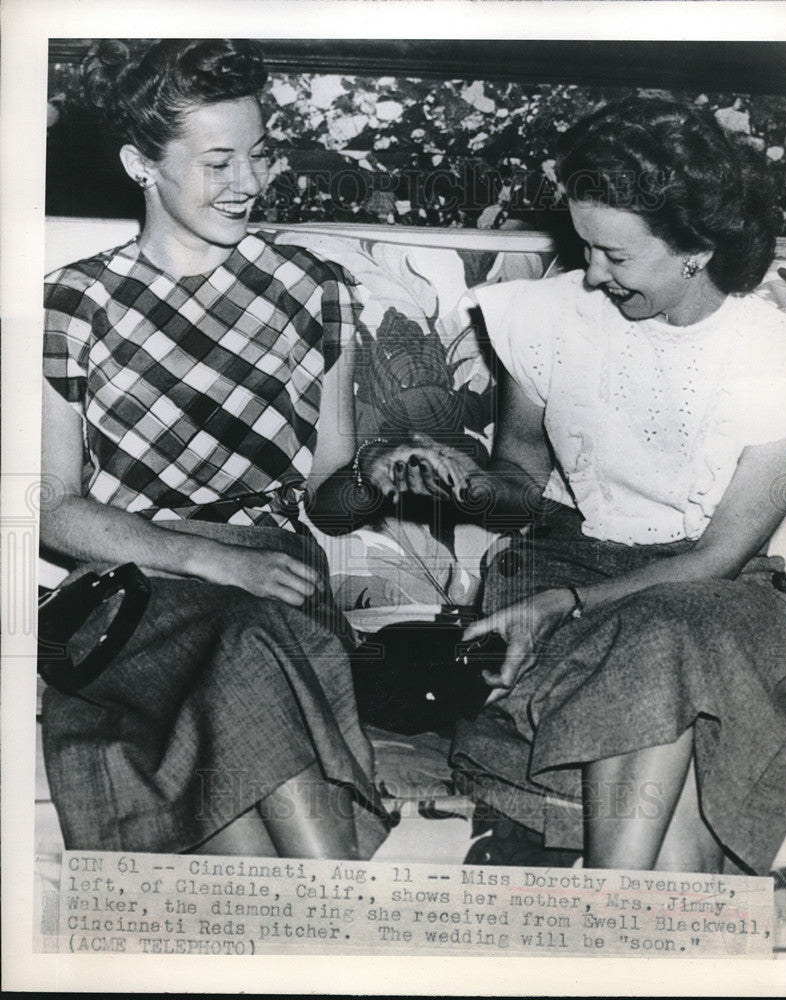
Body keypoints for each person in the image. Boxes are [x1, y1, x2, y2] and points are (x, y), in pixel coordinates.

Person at [40, 38, 468, 860]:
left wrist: (373, 474)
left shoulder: (315, 290)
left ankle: (318, 939)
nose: (250, 184)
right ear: (141, 164)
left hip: (273, 575)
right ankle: (341, 920)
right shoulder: (74, 302)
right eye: (219, 162)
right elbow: (52, 509)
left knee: (251, 644)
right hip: (132, 592)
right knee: (247, 643)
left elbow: (326, 495)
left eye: (261, 156)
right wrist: (206, 560)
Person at [445, 97, 786, 875]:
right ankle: (640, 927)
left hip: (717, 598)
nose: (592, 275)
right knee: (676, 845)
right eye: (584, 245)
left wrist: (558, 610)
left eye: (616, 255)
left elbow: (719, 557)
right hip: (568, 562)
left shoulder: (778, 354)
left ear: (696, 250)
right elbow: (519, 477)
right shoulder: (549, 317)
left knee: (662, 634)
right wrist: (464, 484)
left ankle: (610, 910)